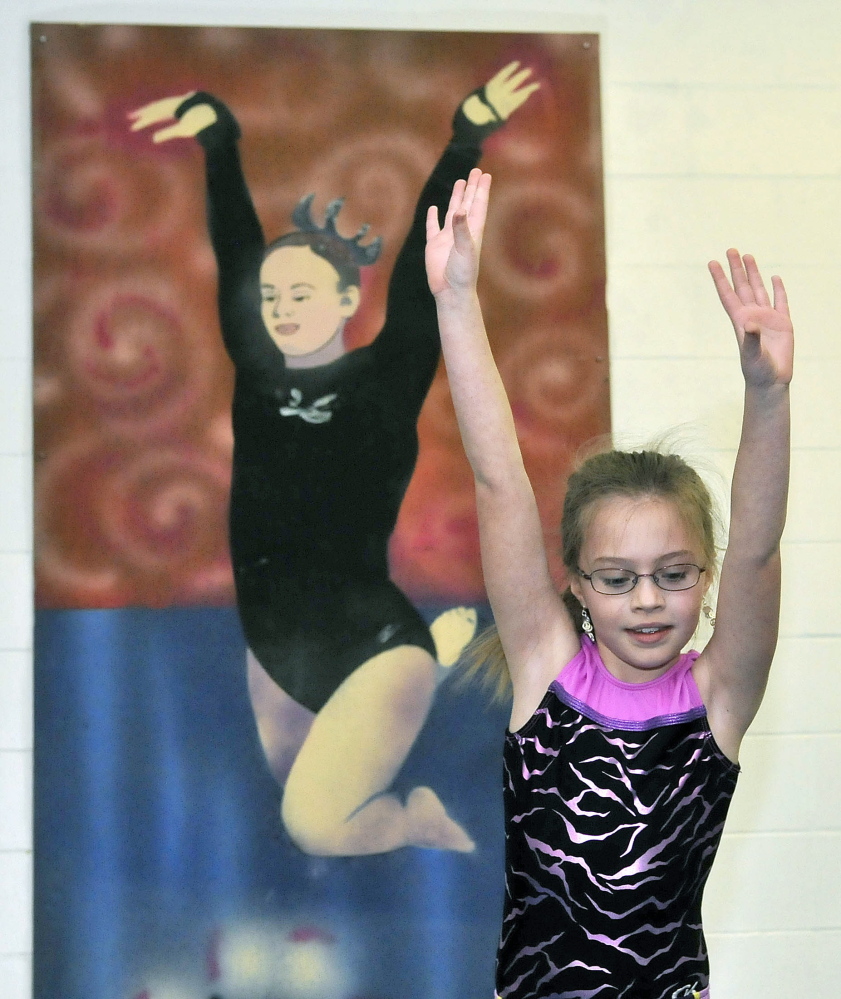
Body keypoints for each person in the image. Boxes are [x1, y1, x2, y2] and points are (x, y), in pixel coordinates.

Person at [129, 63, 538, 856]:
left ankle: (414, 791)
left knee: (314, 823)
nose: (280, 310)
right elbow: (236, 244)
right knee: (290, 779)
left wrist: (464, 135)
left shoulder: (385, 377)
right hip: (277, 642)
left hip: (367, 646)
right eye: (272, 298)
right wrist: (217, 137)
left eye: (303, 295)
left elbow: (424, 290)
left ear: (348, 300)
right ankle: (425, 670)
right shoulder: (258, 374)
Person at [425, 170, 792, 997]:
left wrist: (766, 395)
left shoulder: (716, 698)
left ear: (703, 576)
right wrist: (456, 302)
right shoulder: (547, 668)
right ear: (578, 586)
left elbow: (759, 552)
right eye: (618, 579)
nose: (648, 598)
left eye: (672, 574)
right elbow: (497, 481)